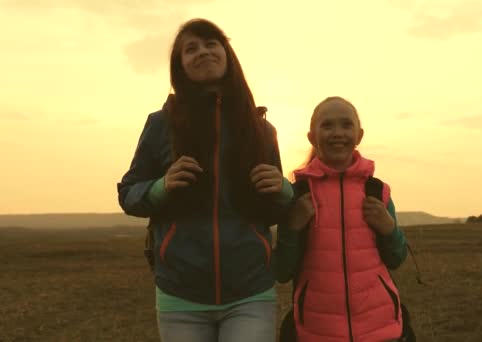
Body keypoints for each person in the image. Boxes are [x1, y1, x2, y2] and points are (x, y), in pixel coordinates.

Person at [117, 18, 292, 342]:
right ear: (179, 65)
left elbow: (274, 211)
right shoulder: (160, 124)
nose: (202, 52)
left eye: (211, 43)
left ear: (227, 54)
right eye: (190, 49)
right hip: (180, 295)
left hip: (251, 292)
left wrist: (284, 191)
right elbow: (129, 193)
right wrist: (159, 188)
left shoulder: (261, 130)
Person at [273, 96, 408, 341]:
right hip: (317, 332)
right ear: (312, 137)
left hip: (380, 330)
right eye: (327, 125)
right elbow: (282, 271)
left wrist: (390, 230)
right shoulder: (299, 194)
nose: (337, 133)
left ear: (359, 135)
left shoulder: (377, 191)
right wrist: (293, 227)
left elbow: (396, 258)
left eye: (346, 125)